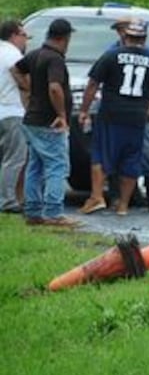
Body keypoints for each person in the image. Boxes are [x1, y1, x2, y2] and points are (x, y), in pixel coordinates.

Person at [79, 21, 149, 217]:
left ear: (125, 37)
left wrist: (84, 109)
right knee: (131, 159)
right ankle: (123, 205)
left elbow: (93, 83)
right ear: (143, 39)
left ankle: (97, 197)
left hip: (111, 113)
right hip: (137, 117)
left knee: (100, 155)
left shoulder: (111, 56)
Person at [13, 19, 80, 228]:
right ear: (64, 38)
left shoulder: (35, 54)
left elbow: (16, 70)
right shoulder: (55, 59)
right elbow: (54, 88)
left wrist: (28, 89)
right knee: (56, 166)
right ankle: (53, 212)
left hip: (32, 118)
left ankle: (33, 211)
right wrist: (61, 114)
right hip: (49, 123)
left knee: (36, 165)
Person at [0, 19, 30, 214]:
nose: (26, 40)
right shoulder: (12, 53)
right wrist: (28, 86)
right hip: (11, 109)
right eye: (24, 35)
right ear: (13, 35)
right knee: (15, 157)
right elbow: (18, 73)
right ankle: (7, 200)